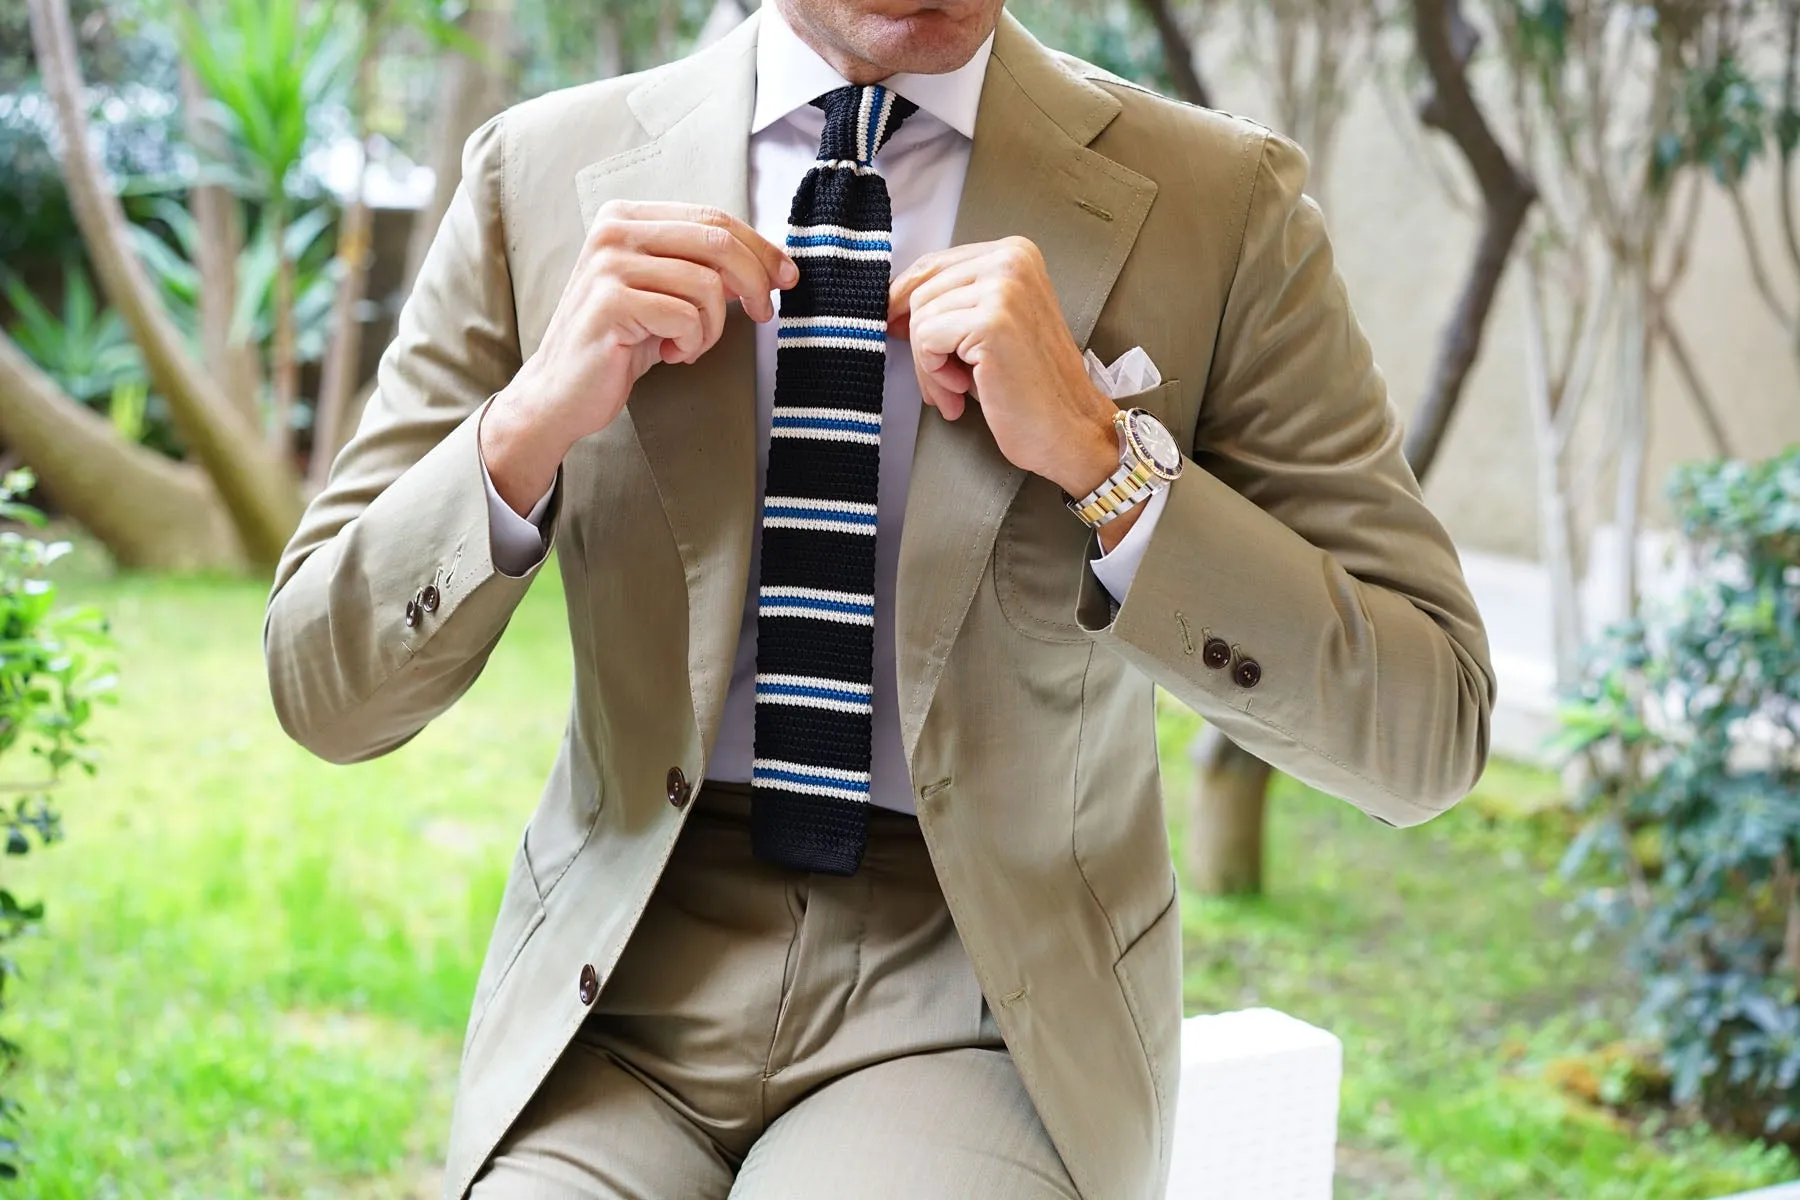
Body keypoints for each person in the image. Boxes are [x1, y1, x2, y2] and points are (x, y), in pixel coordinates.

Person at [263, 1, 1495, 1196]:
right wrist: (527, 424)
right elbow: (325, 690)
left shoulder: (1220, 205)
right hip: (617, 983)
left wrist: (1106, 459)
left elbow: (1425, 730)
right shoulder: (536, 174)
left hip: (979, 995)